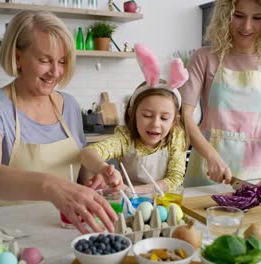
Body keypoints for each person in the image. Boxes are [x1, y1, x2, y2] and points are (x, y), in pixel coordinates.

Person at [0, 10, 117, 234]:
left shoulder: (69, 105)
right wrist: (50, 186)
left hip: (64, 231)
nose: (56, 72)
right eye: (44, 60)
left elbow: (78, 176)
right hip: (6, 234)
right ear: (18, 57)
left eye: (62, 61)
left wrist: (96, 178)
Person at [181, 0, 261, 195]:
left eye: (257, 18)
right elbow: (185, 115)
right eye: (238, 15)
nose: (247, 26)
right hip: (206, 168)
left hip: (254, 173)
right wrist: (211, 157)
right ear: (225, 15)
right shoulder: (204, 57)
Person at [79, 44, 189, 194]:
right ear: (132, 113)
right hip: (130, 203)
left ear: (175, 119)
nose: (155, 124)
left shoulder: (176, 136)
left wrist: (132, 190)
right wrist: (103, 169)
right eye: (147, 115)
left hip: (165, 201)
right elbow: (87, 153)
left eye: (164, 118)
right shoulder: (125, 138)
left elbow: (174, 180)